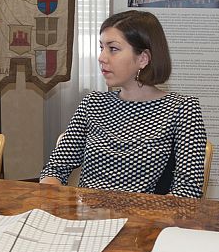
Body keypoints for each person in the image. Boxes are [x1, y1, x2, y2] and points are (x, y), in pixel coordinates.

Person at [39, 10, 207, 198]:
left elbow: (187, 191)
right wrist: (51, 198)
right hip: (86, 213)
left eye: (113, 49)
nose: (101, 57)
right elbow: (54, 169)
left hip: (145, 214)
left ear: (143, 58)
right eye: (101, 47)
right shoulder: (92, 104)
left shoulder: (182, 109)